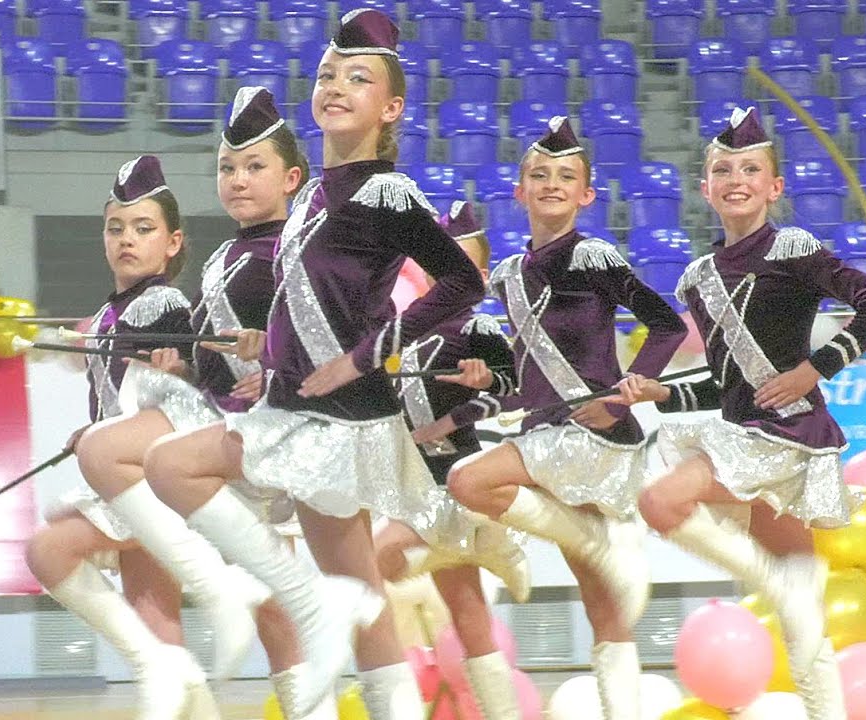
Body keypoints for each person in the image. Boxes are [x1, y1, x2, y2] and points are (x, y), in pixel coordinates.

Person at [143, 10, 505, 718]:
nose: (336, 85)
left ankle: (305, 605)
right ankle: (327, 625)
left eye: (358, 78)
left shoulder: (386, 191)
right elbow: (308, 302)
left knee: (170, 466)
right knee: (364, 598)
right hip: (293, 405)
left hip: (341, 417)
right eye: (327, 75)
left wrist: (364, 356)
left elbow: (464, 283)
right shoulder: (309, 196)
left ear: (391, 107)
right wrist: (266, 354)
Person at [606, 106, 866, 720]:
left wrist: (816, 366)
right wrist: (666, 395)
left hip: (788, 436)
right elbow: (728, 386)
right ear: (705, 188)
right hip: (745, 430)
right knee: (804, 618)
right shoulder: (698, 278)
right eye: (722, 169)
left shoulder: (793, 248)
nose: (735, 178)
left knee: (660, 502)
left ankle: (774, 587)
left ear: (775, 187)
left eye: (750, 168)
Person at [413, 117, 688, 720]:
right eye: (539, 174)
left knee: (468, 481)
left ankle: (587, 539)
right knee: (601, 603)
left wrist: (623, 393)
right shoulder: (510, 275)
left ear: (587, 195)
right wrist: (485, 385)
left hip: (593, 437)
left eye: (567, 176)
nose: (552, 184)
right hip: (544, 432)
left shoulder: (594, 255)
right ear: (519, 191)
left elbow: (666, 323)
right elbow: (525, 376)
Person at [70, 88, 328, 716]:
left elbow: (332, 338)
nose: (238, 180)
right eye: (227, 168)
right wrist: (182, 368)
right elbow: (209, 367)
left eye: (255, 167)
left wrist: (273, 365)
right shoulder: (221, 259)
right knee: (275, 606)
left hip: (284, 433)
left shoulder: (301, 252)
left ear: (292, 178)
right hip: (223, 432)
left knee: (285, 607)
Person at [25, 155, 214, 720]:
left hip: (146, 480)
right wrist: (94, 429)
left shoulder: (161, 301)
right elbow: (125, 395)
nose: (127, 239)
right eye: (116, 228)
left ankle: (144, 665)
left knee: (48, 549)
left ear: (174, 242)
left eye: (144, 228)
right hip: (133, 472)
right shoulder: (114, 310)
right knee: (160, 621)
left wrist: (181, 368)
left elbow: (188, 384)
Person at [373, 200, 528, 720]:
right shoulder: (399, 336)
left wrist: (482, 387)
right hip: (417, 485)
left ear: (480, 276)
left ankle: (496, 542)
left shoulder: (479, 331)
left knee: (378, 562)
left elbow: (513, 386)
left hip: (459, 484)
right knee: (467, 613)